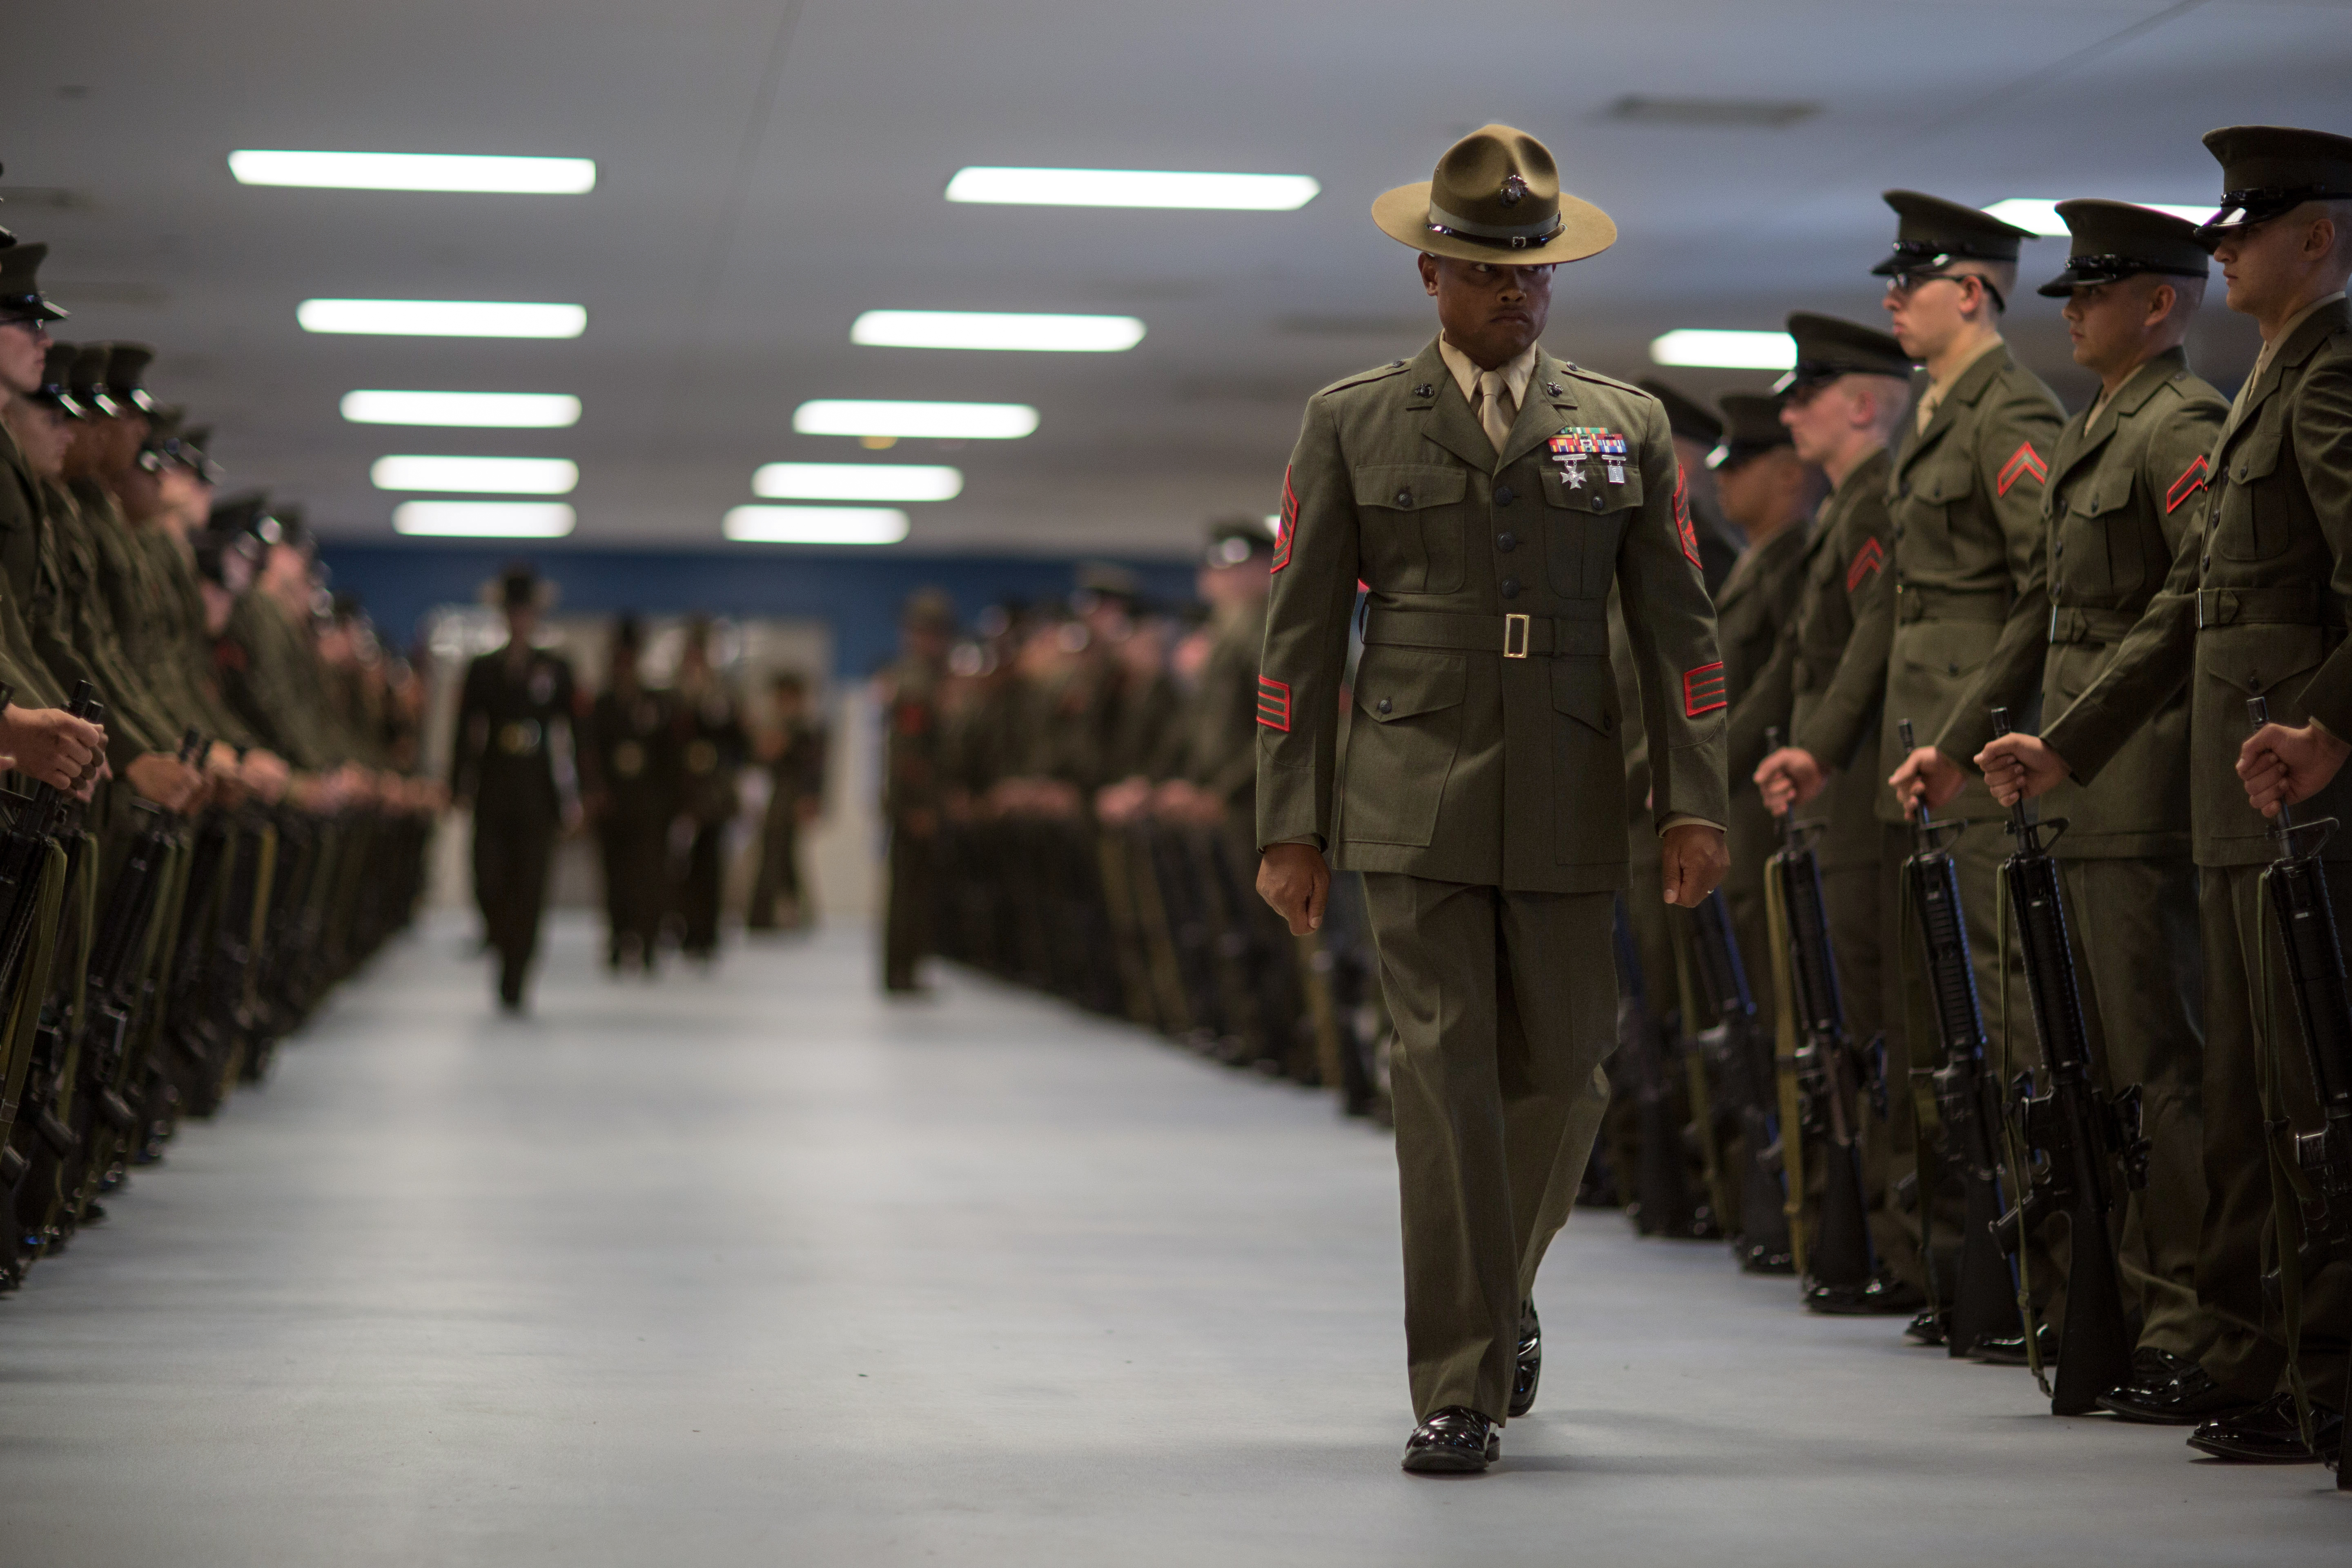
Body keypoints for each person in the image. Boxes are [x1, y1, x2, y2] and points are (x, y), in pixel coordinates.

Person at [1254, 124, 1729, 1472]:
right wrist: (1291, 822)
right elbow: (1295, 641)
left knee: (1567, 1075)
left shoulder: (1622, 425)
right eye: (1487, 271)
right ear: (1429, 274)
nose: (1517, 294)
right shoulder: (1350, 421)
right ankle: (1456, 1381)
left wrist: (1692, 801)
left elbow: (1683, 638)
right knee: (1441, 1073)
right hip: (1414, 786)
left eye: (1535, 270)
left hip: (1575, 788)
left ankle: (1501, 1290)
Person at [1980, 124, 2352, 1464]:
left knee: (2287, 1083)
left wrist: (2328, 727)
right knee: (2254, 1083)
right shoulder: (2268, 379)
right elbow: (2199, 601)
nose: (2224, 248)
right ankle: (2275, 1364)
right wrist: (2069, 745)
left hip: (2288, 792)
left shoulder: (2319, 374)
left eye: (2246, 229)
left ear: (2316, 237)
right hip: (2221, 785)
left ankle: (2294, 1365)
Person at [1760, 191, 2065, 1349]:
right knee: (1935, 1030)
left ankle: (2033, 1280)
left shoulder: (2009, 411)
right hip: (1914, 769)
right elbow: (1888, 617)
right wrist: (1827, 746)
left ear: (1975, 292)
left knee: (2000, 1023)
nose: (1893, 298)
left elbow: (2046, 588)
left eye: (1914, 280)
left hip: (1969, 771)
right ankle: (1957, 1269)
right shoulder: (1941, 416)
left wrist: (1966, 732)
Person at [1967, 199, 2225, 1416]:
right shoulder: (2094, 429)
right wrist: (1992, 736)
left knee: (2156, 1065)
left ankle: (2186, 1319)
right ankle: (2116, 1305)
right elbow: (2047, 611)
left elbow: (2194, 607)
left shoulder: (2184, 423)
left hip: (2135, 784)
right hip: (2077, 789)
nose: (2068, 309)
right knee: (2089, 1065)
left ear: (2160, 304)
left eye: (2094, 291)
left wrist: (2069, 739)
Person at [1737, 313, 1919, 1299]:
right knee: (1832, 1020)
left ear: (1858, 403)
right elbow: (1802, 667)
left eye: (1805, 395)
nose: (1787, 411)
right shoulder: (1847, 509)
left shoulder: (1872, 503)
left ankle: (1895, 1245)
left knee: (1865, 1025)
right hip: (1826, 799)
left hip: (1851, 804)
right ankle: (1865, 1233)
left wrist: (1812, 750)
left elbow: (1862, 653)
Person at [450, 564, 579, 1011]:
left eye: (526, 611)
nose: (519, 619)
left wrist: (579, 795)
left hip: (538, 790)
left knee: (531, 886)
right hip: (493, 784)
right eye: (512, 611)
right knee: (489, 878)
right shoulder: (482, 669)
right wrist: (456, 785)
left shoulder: (557, 668)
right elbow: (464, 731)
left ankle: (517, 973)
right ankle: (499, 940)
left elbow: (574, 736)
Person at [585, 616, 676, 972]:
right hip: (613, 805)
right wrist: (595, 793)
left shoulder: (657, 702)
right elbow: (590, 754)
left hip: (649, 805)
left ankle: (649, 940)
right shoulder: (602, 704)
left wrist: (668, 804)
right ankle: (618, 938)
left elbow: (669, 759)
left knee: (650, 877)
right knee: (615, 878)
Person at [879, 590, 953, 993]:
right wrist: (919, 806)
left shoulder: (917, 676)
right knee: (910, 891)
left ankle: (905, 969)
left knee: (912, 889)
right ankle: (902, 971)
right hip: (914, 805)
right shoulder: (917, 680)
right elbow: (911, 753)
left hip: (911, 802)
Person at [668, 616, 746, 964]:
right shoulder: (673, 692)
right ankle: (679, 928)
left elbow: (738, 743)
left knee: (711, 866)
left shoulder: (724, 693)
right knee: (678, 866)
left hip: (713, 793)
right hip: (681, 792)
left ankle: (707, 934)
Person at [747, 671, 825, 932]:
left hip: (790, 801)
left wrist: (810, 799)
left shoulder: (805, 731)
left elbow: (813, 769)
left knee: (785, 857)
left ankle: (788, 913)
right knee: (772, 856)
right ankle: (765, 915)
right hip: (772, 801)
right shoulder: (771, 726)